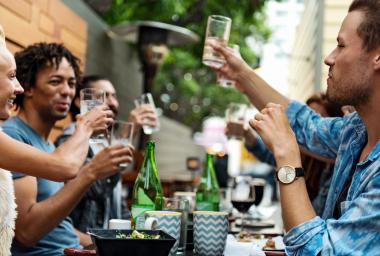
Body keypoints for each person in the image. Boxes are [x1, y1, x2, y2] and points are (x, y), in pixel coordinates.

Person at [213, 0, 380, 254]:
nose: (329, 58)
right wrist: (241, 74)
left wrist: (286, 156)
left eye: (341, 45)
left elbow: (319, 251)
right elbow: (305, 125)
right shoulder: (356, 130)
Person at [2, 42, 134, 255]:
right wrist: (91, 171)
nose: (67, 91)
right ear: (27, 88)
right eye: (56, 82)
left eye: (72, 83)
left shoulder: (49, 144)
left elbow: (59, 226)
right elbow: (26, 233)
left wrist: (107, 241)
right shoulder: (13, 135)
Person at [55, 75, 158, 246]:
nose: (112, 103)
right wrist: (127, 134)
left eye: (114, 96)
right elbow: (96, 190)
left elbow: (115, 200)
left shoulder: (104, 141)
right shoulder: (71, 138)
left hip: (107, 243)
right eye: (103, 96)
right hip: (83, 244)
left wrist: (135, 233)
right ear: (80, 102)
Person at [227, 93, 344, 215]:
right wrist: (247, 134)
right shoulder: (307, 157)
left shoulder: (339, 166)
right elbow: (270, 155)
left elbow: (317, 215)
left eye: (318, 120)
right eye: (309, 119)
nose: (310, 129)